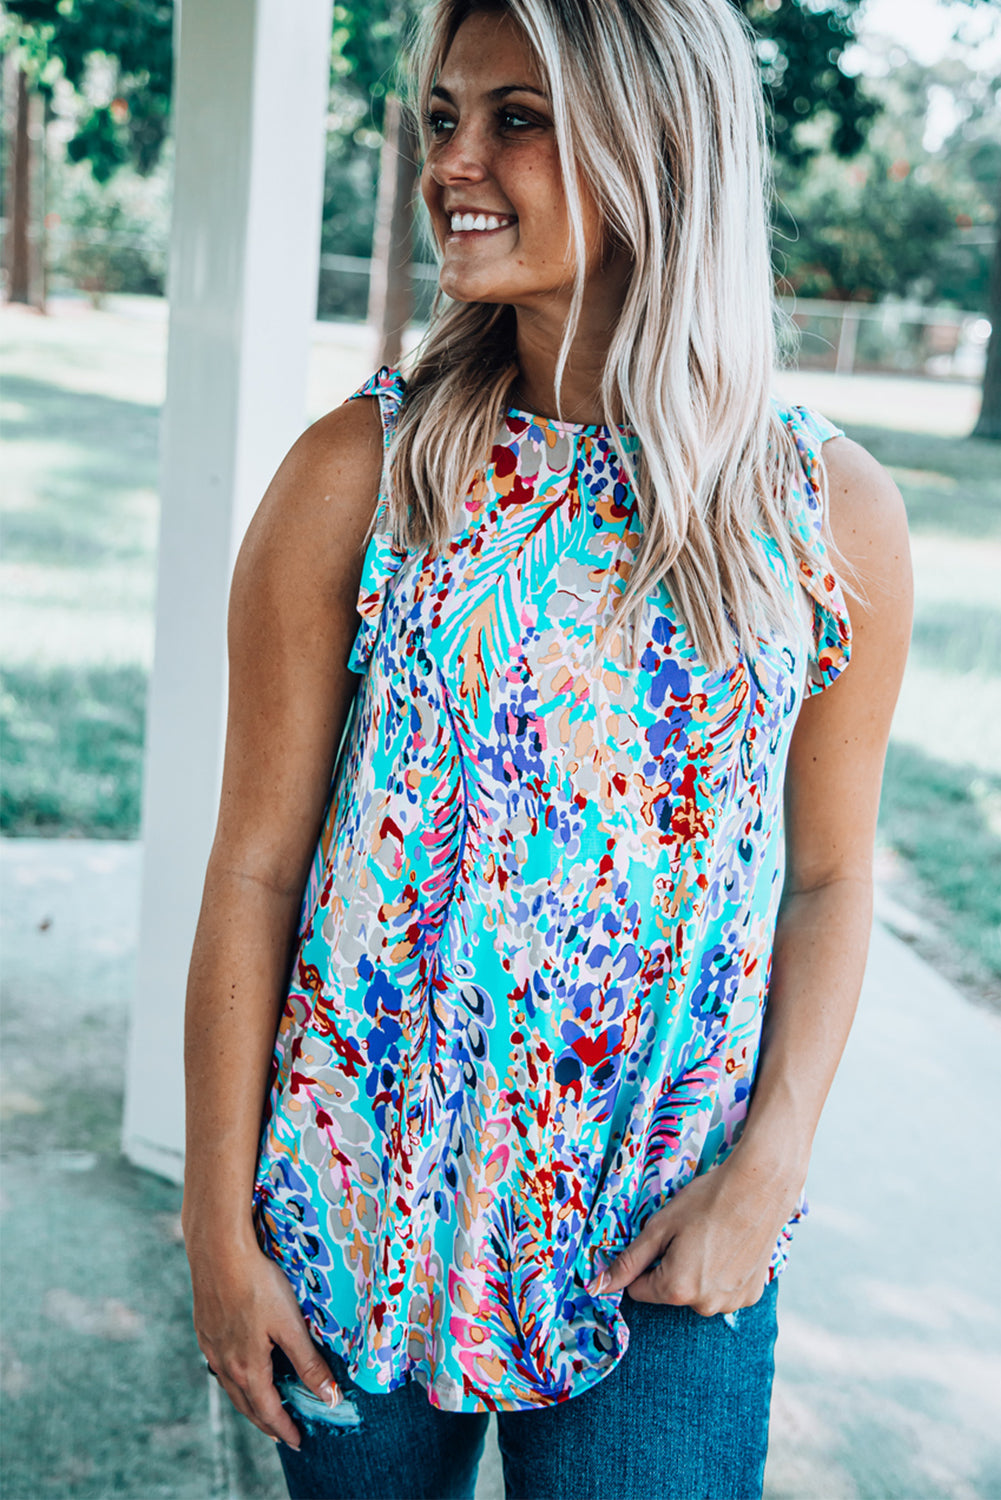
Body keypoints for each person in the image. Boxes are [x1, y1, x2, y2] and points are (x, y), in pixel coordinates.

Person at [180, 1, 913, 1497]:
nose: (455, 158)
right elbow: (255, 868)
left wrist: (762, 1176)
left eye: (517, 116)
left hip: (659, 1234)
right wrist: (216, 1230)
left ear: (659, 143)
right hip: (355, 1221)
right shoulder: (361, 473)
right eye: (443, 116)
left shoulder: (823, 510)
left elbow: (832, 879)